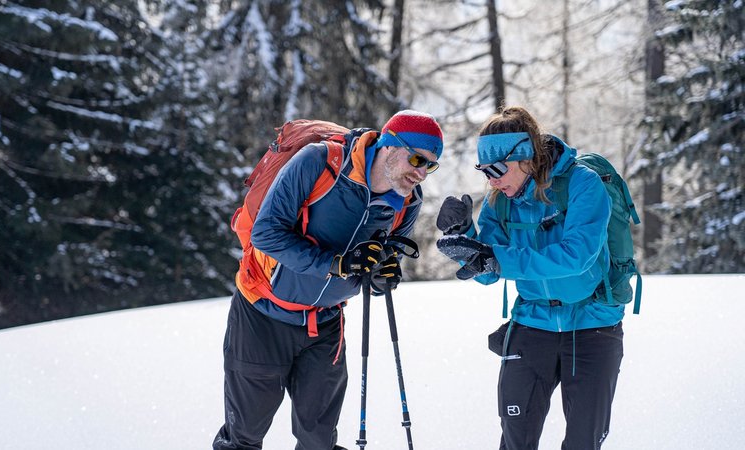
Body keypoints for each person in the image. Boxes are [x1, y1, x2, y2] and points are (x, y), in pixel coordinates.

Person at [213, 110, 444, 450]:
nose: (421, 173)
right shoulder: (319, 163)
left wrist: (383, 276)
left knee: (318, 441)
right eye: (417, 159)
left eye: (430, 166)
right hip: (262, 313)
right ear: (390, 145)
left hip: (325, 324)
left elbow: (376, 274)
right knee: (244, 434)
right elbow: (266, 234)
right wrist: (336, 264)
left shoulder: (407, 201)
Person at [436, 106, 624, 449]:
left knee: (584, 441)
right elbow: (489, 273)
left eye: (497, 168)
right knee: (516, 440)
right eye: (484, 171)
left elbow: (577, 256)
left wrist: (496, 259)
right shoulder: (499, 201)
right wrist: (465, 237)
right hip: (531, 323)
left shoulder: (583, 183)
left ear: (526, 156)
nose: (492, 180)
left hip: (592, 324)